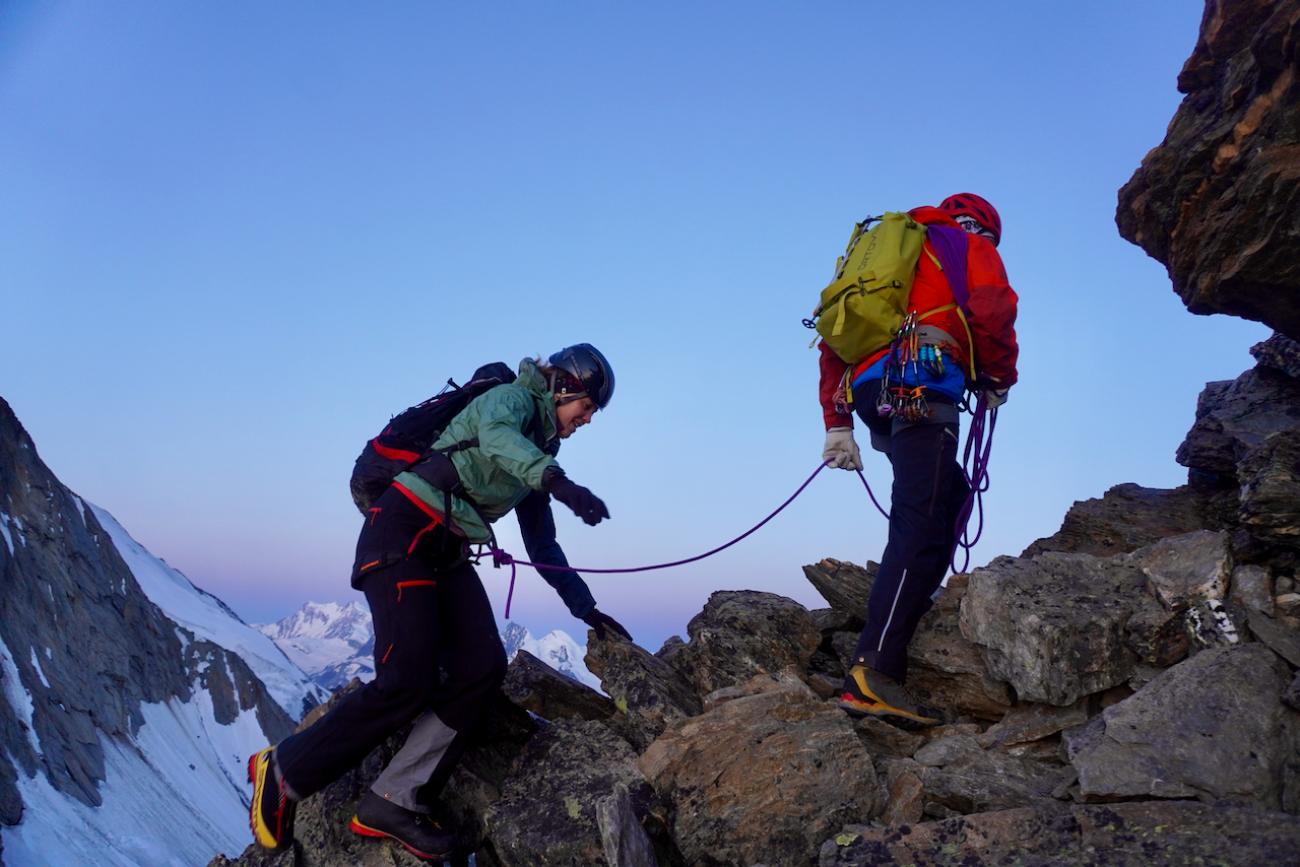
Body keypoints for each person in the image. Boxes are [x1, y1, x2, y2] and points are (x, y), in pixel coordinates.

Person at [248, 343, 631, 861]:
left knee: (481, 666)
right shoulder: (511, 400)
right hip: (402, 531)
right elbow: (497, 439)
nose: (586, 420)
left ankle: (392, 799)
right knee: (406, 679)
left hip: (444, 549)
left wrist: (586, 609)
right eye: (585, 408)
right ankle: (283, 771)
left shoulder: (541, 450)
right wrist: (556, 481)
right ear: (565, 385)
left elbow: (543, 546)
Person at [818, 194, 1019, 727]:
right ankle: (873, 671)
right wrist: (998, 377)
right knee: (921, 515)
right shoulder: (966, 242)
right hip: (922, 385)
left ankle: (906, 614)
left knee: (947, 498)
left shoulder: (890, 256)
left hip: (872, 392)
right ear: (983, 227)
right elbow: (993, 307)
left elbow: (834, 338)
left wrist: (837, 423)